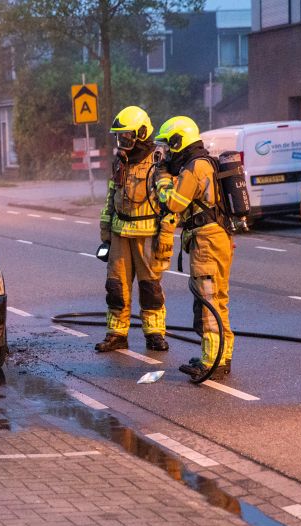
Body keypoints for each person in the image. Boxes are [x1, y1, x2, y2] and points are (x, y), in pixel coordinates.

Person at [153, 116, 234, 381]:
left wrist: (162, 179)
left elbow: (174, 203)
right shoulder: (203, 162)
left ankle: (212, 362)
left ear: (178, 141)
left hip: (207, 240)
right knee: (218, 299)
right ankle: (221, 356)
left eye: (168, 146)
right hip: (214, 236)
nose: (166, 152)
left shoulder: (195, 167)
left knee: (208, 301)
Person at [95, 106, 174, 354]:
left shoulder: (159, 160)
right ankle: (117, 334)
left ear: (141, 133)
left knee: (150, 288)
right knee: (116, 287)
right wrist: (105, 235)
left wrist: (166, 236)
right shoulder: (120, 161)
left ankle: (154, 334)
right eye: (120, 136)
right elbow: (111, 197)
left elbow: (169, 204)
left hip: (148, 234)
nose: (122, 141)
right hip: (120, 234)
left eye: (127, 136)